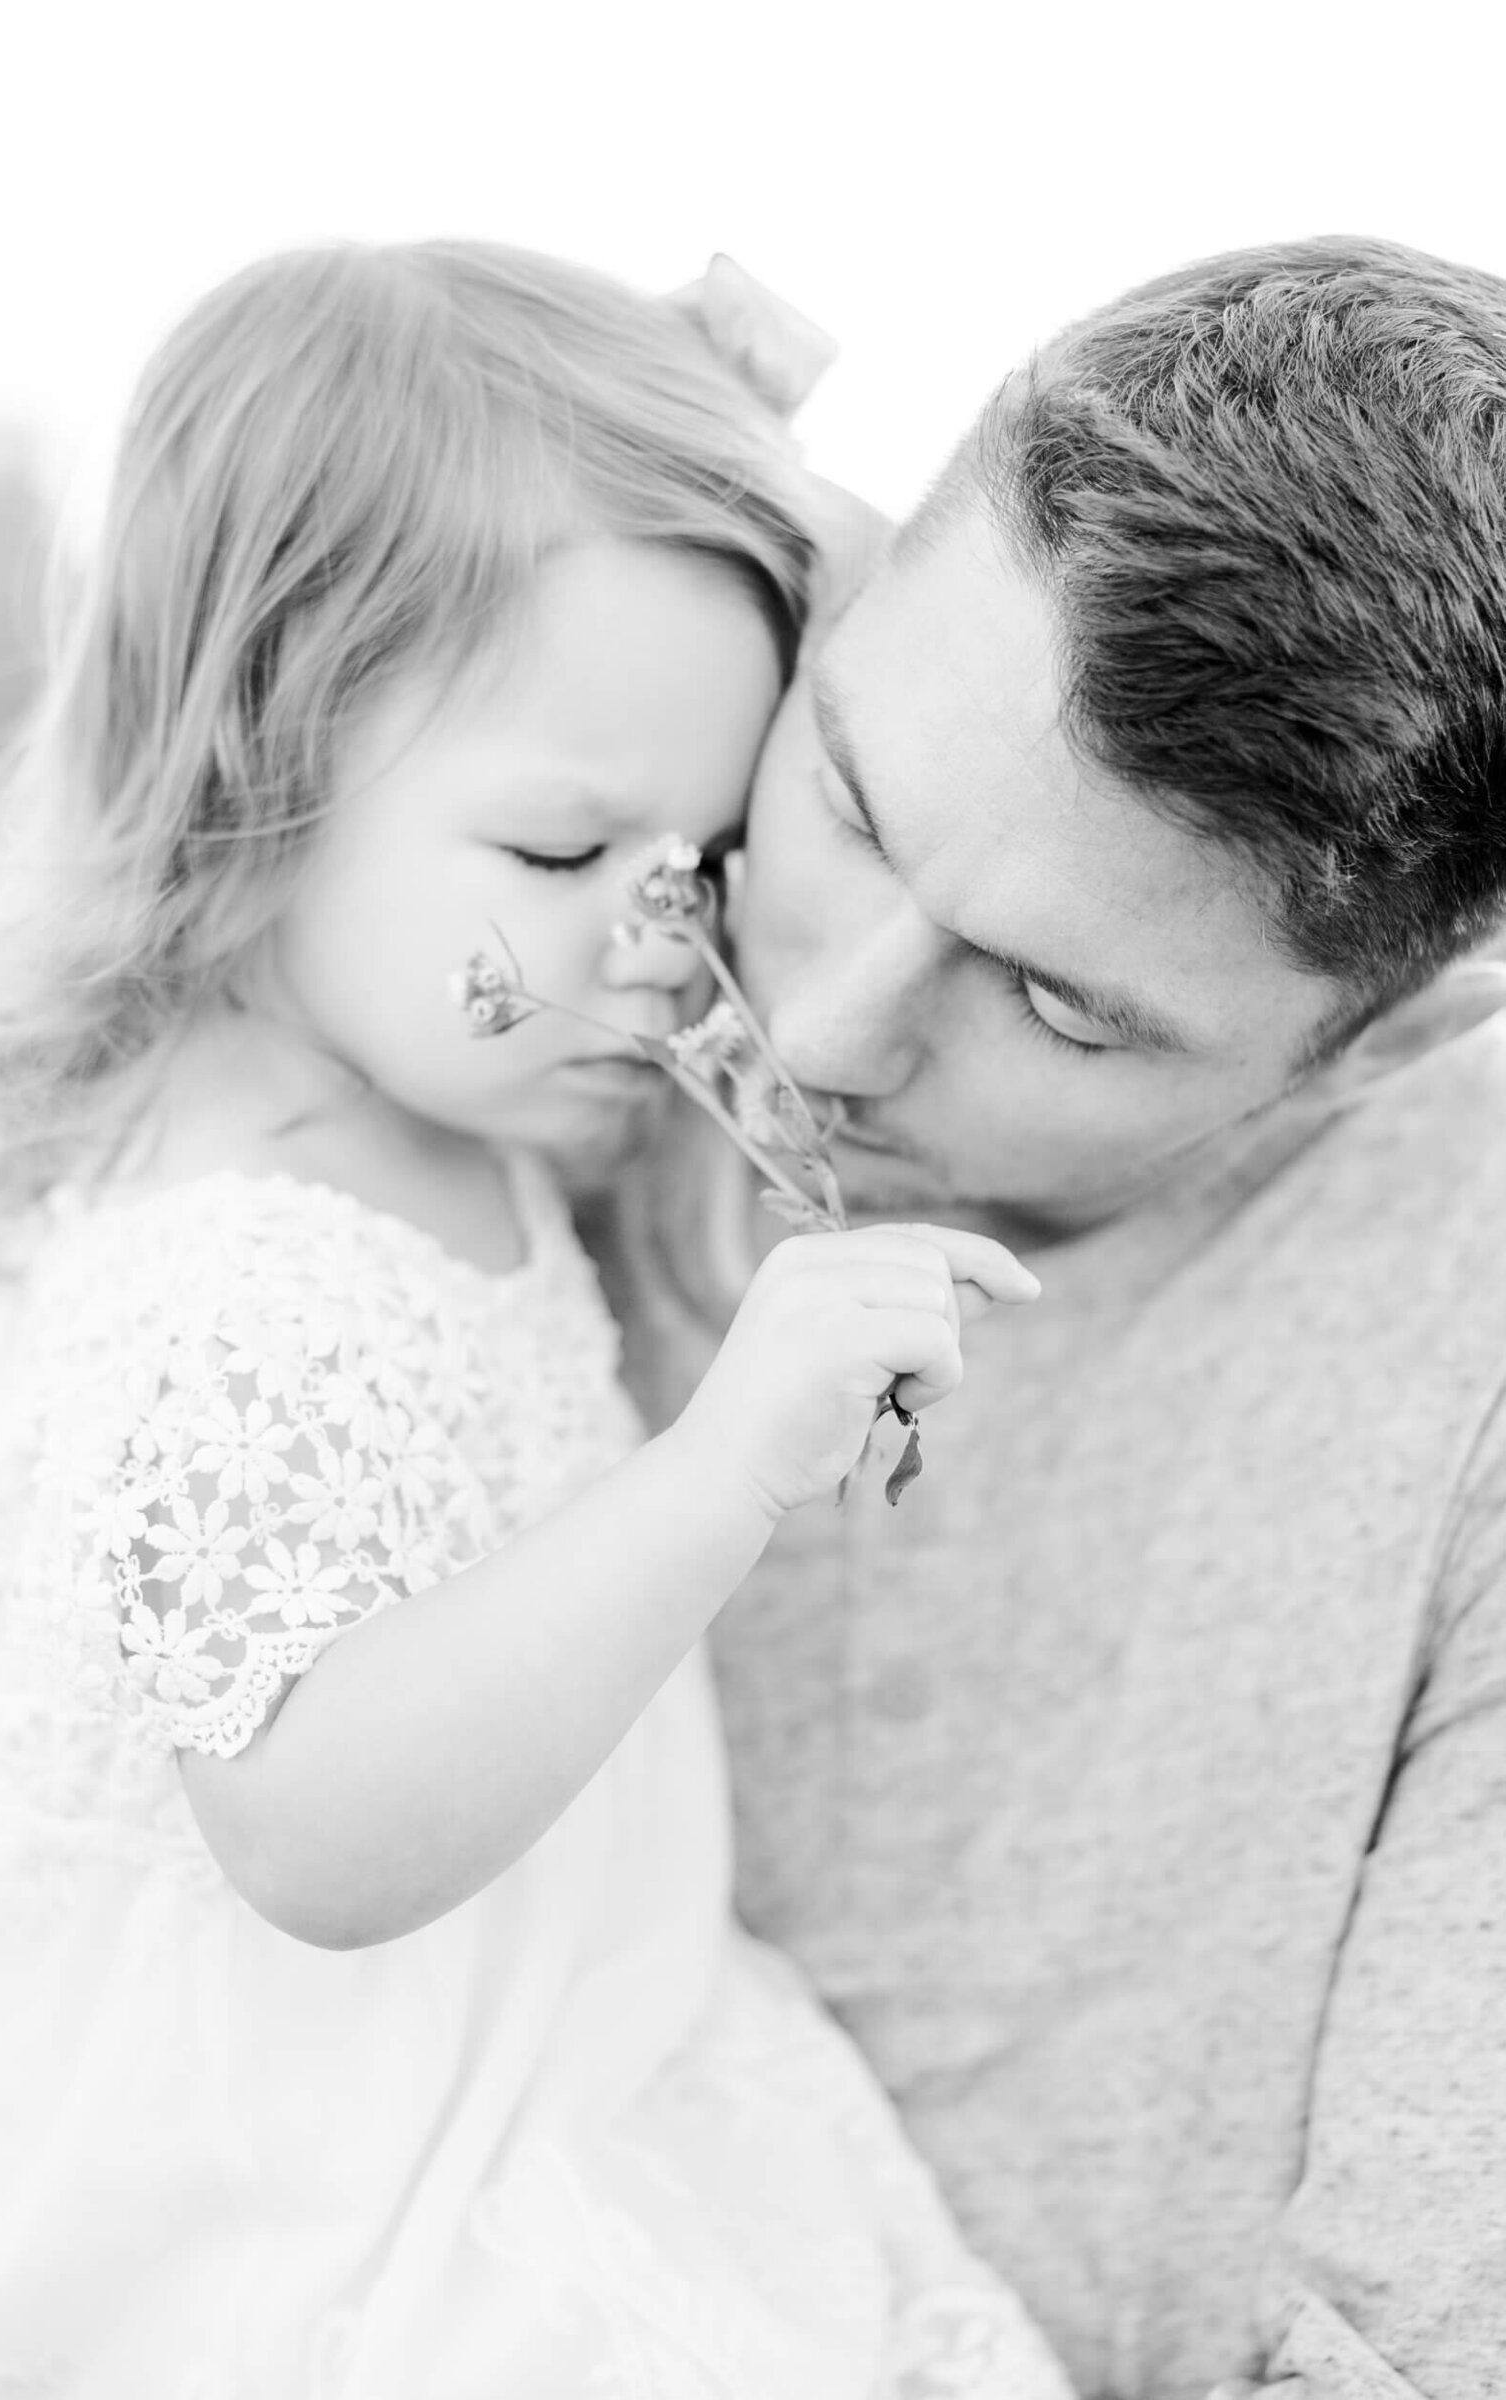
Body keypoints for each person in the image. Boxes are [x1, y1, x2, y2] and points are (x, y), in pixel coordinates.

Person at [0, 241, 1072, 2399]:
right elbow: (320, 1828)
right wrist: (722, 1468)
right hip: (326, 2243)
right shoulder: (221, 1283)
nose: (658, 945)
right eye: (560, 851)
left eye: (703, 858)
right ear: (250, 771)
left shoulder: (453, 1102)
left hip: (530, 2072)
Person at [605, 236, 1506, 2400]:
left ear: (1382, 1040)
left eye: (1051, 1006)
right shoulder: (550, 875)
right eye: (842, 797)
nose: (815, 1033)